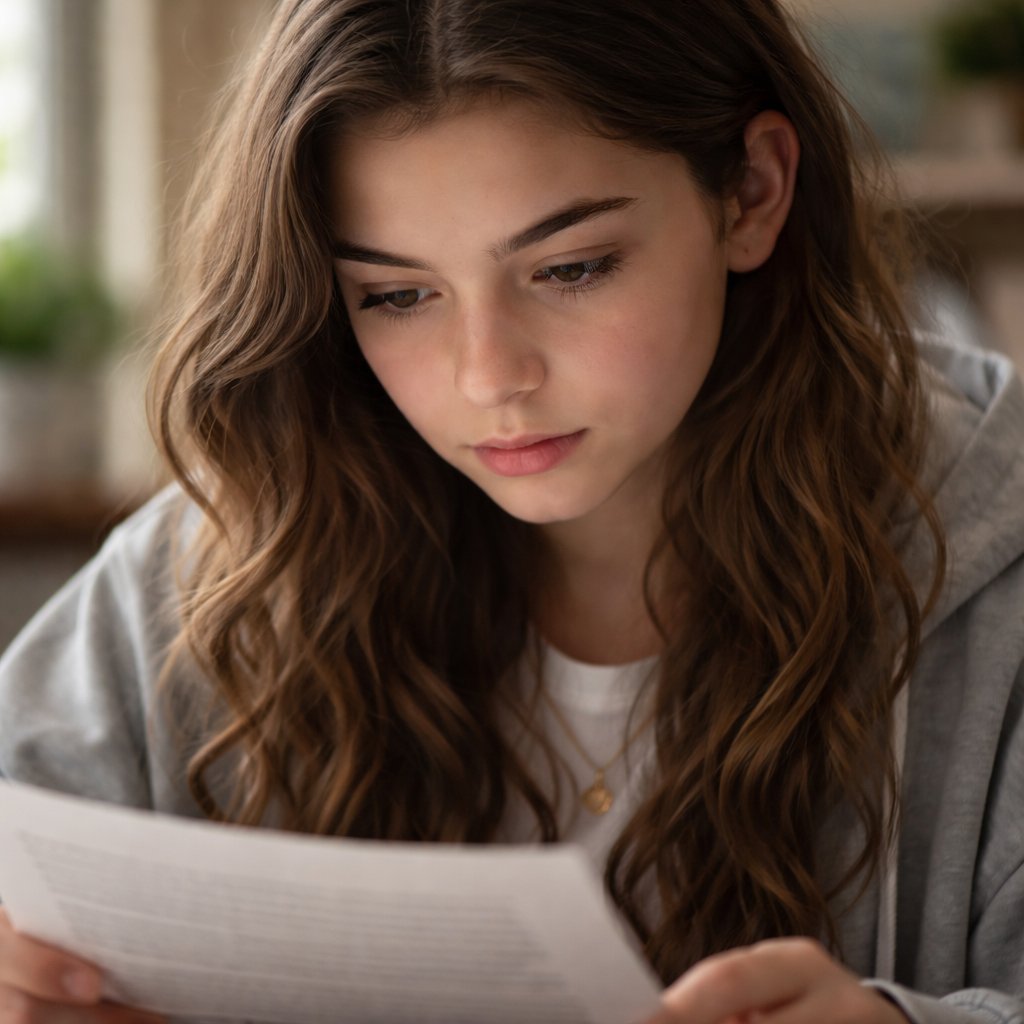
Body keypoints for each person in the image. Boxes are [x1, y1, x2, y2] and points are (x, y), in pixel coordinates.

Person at [1, 0, 1023, 1020]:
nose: (489, 377)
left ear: (752, 192)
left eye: (570, 268)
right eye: (396, 296)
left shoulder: (997, 574)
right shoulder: (211, 578)